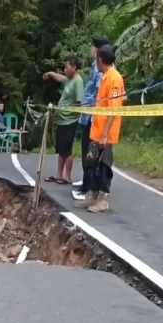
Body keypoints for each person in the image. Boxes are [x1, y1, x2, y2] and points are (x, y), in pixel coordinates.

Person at [75, 44, 125, 213]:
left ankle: (103, 199)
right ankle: (93, 194)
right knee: (90, 163)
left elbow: (114, 109)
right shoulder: (104, 76)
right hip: (97, 131)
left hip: (106, 134)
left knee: (104, 167)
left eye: (97, 59)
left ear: (101, 60)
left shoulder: (115, 79)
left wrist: (105, 134)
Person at [73, 37, 111, 202]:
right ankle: (88, 183)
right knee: (90, 155)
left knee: (89, 154)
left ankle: (87, 188)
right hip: (89, 116)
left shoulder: (99, 69)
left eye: (92, 47)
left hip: (92, 117)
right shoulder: (98, 67)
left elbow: (99, 94)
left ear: (96, 50)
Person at [43, 56, 84, 184]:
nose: (65, 69)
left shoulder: (78, 82)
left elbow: (80, 103)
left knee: (67, 149)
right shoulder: (69, 80)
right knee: (61, 149)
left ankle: (67, 176)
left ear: (74, 68)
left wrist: (70, 112)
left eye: (67, 67)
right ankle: (58, 175)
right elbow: (60, 78)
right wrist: (50, 74)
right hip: (62, 120)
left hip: (69, 121)